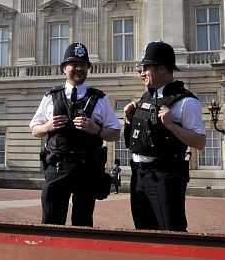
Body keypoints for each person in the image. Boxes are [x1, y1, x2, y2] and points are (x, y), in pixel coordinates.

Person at [30, 42, 121, 226]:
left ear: (88, 68)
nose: (79, 68)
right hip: (58, 166)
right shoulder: (50, 97)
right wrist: (47, 126)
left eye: (83, 64)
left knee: (83, 222)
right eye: (74, 64)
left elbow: (115, 134)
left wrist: (97, 130)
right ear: (64, 68)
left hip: (87, 168)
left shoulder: (100, 99)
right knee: (51, 222)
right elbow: (35, 129)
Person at [123, 40, 206, 232]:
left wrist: (171, 125)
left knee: (170, 230)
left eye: (146, 68)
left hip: (165, 174)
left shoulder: (185, 101)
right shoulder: (146, 98)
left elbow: (200, 141)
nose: (142, 73)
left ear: (162, 69)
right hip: (139, 174)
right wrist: (129, 119)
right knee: (143, 231)